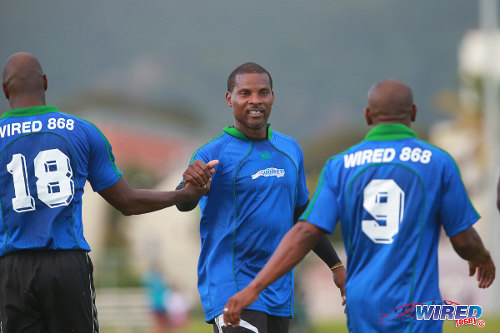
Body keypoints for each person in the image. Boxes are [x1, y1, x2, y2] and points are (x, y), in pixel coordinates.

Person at [222, 79, 496, 332]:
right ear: (412, 112)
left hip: (363, 306)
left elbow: (305, 233)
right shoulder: (437, 162)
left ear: (368, 116)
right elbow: (463, 240)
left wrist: (255, 287)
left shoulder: (340, 166)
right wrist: (481, 256)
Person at [0, 52, 216, 333]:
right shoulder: (81, 131)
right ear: (44, 82)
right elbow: (127, 202)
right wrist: (183, 195)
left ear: (5, 89)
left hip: (13, 267)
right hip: (66, 262)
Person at [176, 62, 346, 333]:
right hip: (230, 286)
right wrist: (189, 185)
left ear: (272, 97)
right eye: (245, 93)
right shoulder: (211, 153)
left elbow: (303, 216)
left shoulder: (290, 149)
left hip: (278, 289)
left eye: (262, 93)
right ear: (229, 99)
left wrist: (335, 265)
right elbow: (183, 202)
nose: (255, 101)